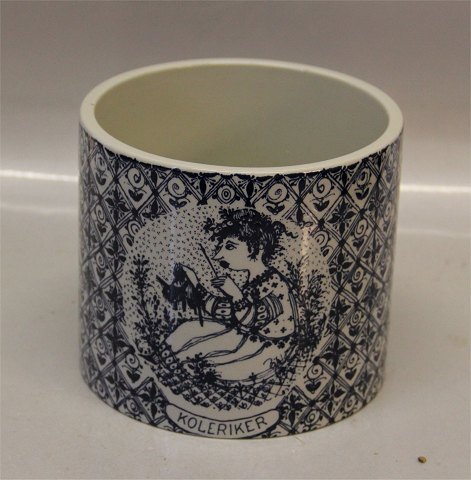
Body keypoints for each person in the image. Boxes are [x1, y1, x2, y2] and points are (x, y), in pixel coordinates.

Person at [165, 208, 299, 382]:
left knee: (196, 361)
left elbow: (253, 319)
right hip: (249, 339)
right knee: (186, 331)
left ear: (257, 248)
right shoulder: (256, 281)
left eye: (229, 247)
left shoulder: (276, 283)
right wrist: (196, 285)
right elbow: (227, 312)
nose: (217, 256)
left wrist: (235, 294)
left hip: (268, 349)